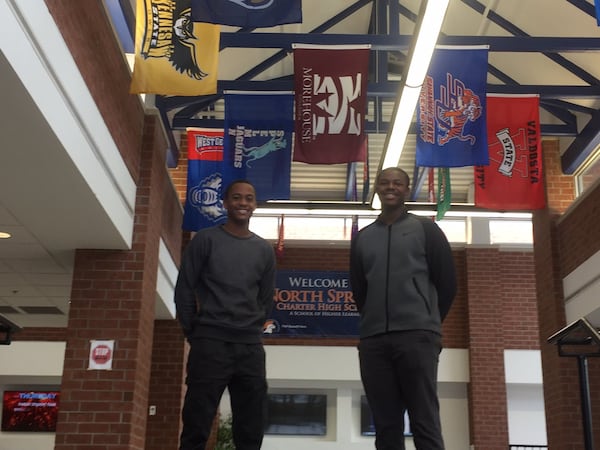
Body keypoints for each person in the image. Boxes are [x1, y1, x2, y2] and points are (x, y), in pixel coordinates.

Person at [349, 167, 457, 450]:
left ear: (407, 190)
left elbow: (447, 283)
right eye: (384, 183)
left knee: (425, 421)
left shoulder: (426, 229)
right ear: (377, 189)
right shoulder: (363, 237)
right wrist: (373, 321)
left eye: (397, 183)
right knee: (385, 426)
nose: (391, 187)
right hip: (374, 342)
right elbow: (360, 289)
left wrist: (427, 321)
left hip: (417, 337)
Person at [174, 179, 276, 450]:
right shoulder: (205, 240)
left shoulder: (264, 250)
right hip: (210, 344)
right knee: (196, 425)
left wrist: (251, 328)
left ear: (255, 205)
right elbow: (184, 288)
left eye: (249, 198)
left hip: (250, 349)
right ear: (225, 202)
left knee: (251, 429)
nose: (243, 203)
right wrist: (193, 332)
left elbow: (266, 298)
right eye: (237, 197)